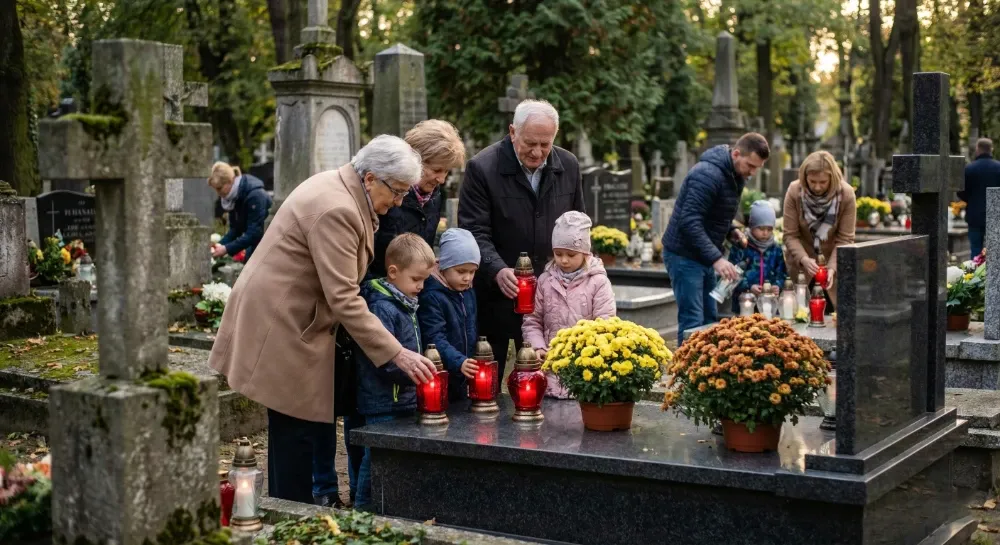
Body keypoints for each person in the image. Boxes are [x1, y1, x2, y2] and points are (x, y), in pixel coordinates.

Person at [208, 135, 437, 505]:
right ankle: (288, 513)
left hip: (292, 315)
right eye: (396, 192)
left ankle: (290, 509)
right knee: (293, 433)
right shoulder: (339, 210)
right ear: (370, 179)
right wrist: (398, 353)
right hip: (282, 322)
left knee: (295, 431)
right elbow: (344, 297)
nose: (398, 202)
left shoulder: (343, 188)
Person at [459, 99, 585, 375]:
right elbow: (473, 231)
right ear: (513, 132)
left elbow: (578, 227)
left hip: (553, 292)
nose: (538, 152)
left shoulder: (568, 165)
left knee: (551, 378)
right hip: (498, 293)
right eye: (530, 143)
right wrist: (496, 269)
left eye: (545, 143)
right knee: (488, 377)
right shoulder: (482, 168)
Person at [349, 233, 436, 511]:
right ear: (393, 272)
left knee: (394, 453)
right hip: (382, 399)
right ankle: (363, 506)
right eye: (416, 280)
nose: (421, 286)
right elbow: (384, 359)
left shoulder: (405, 302)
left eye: (424, 280)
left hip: (402, 397)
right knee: (374, 454)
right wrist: (413, 374)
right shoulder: (382, 307)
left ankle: (390, 502)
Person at [661, 133, 769, 346]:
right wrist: (717, 259)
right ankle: (687, 374)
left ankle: (708, 374)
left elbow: (715, 214)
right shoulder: (707, 174)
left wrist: (732, 231)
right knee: (693, 320)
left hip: (704, 254)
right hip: (684, 255)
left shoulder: (734, 175)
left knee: (710, 319)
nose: (753, 172)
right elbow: (689, 221)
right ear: (736, 154)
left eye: (757, 167)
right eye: (750, 165)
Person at [522, 211, 616, 398]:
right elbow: (532, 321)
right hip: (550, 372)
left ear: (585, 252)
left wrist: (588, 355)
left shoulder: (598, 282)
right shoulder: (545, 281)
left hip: (585, 372)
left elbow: (605, 324)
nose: (564, 260)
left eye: (571, 255)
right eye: (558, 254)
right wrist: (538, 347)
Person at [369, 120, 467, 279]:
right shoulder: (386, 192)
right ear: (415, 160)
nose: (441, 179)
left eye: (447, 172)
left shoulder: (434, 196)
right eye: (436, 170)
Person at [782, 150, 856, 308]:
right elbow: (790, 235)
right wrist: (803, 259)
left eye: (823, 182)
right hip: (801, 269)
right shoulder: (795, 191)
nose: (816, 187)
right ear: (804, 177)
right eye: (812, 181)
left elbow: (845, 239)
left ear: (832, 178)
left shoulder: (846, 195)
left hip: (831, 272)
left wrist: (832, 268)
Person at [417, 228, 481, 402]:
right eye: (461, 271)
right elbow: (434, 337)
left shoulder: (467, 291)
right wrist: (458, 361)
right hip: (442, 373)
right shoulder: (432, 296)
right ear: (444, 266)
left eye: (472, 271)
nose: (467, 278)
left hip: (463, 372)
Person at [727, 201, 787, 313]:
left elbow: (782, 274)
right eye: (761, 228)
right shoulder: (741, 247)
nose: (765, 233)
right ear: (752, 226)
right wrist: (749, 287)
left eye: (769, 229)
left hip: (769, 306)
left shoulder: (776, 249)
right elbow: (731, 275)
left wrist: (777, 286)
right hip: (745, 305)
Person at [207, 162, 272, 263]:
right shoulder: (235, 197)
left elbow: (255, 232)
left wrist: (226, 249)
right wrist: (219, 245)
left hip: (268, 246)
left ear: (229, 181)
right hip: (256, 246)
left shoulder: (255, 195)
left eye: (219, 188)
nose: (218, 193)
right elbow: (236, 230)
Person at [959, 138, 1000, 258]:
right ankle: (995, 276)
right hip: (995, 214)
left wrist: (971, 200)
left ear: (978, 149)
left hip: (975, 214)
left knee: (975, 250)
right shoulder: (998, 168)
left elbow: (961, 191)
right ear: (991, 150)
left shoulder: (969, 169)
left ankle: (975, 275)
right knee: (995, 251)